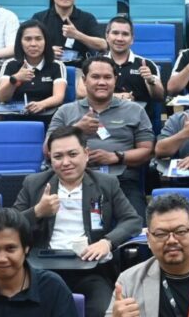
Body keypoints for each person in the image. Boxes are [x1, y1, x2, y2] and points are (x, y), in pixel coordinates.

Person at [14, 125, 141, 317]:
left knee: (102, 314)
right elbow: (10, 226)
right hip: (43, 268)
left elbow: (132, 220)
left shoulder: (106, 183)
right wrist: (37, 212)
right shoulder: (34, 184)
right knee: (29, 314)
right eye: (58, 156)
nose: (65, 162)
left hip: (90, 268)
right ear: (50, 159)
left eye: (72, 154)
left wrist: (106, 242)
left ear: (86, 154)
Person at [48, 55, 156, 220]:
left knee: (138, 224)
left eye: (107, 77)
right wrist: (76, 129)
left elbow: (147, 151)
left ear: (115, 80)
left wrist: (116, 157)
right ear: (84, 80)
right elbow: (47, 150)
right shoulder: (65, 111)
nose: (101, 82)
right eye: (95, 77)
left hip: (121, 181)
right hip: (73, 180)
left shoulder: (135, 110)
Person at [0, 21, 67, 121]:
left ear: (46, 41)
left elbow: (59, 97)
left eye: (38, 39)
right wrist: (15, 79)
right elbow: (2, 98)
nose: (33, 44)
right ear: (20, 42)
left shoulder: (56, 65)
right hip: (15, 118)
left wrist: (42, 104)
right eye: (28, 39)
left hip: (47, 117)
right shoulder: (10, 64)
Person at [31, 0, 106, 62]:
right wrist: (46, 51)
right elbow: (28, 44)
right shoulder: (39, 18)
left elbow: (103, 45)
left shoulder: (87, 18)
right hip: (48, 66)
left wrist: (77, 35)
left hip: (80, 67)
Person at [103, 15, 164, 104]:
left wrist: (150, 80)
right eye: (115, 33)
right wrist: (115, 97)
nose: (119, 38)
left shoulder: (147, 64)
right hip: (105, 112)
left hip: (139, 112)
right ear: (107, 36)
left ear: (132, 39)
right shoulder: (96, 64)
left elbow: (159, 97)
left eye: (125, 34)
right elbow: (84, 94)